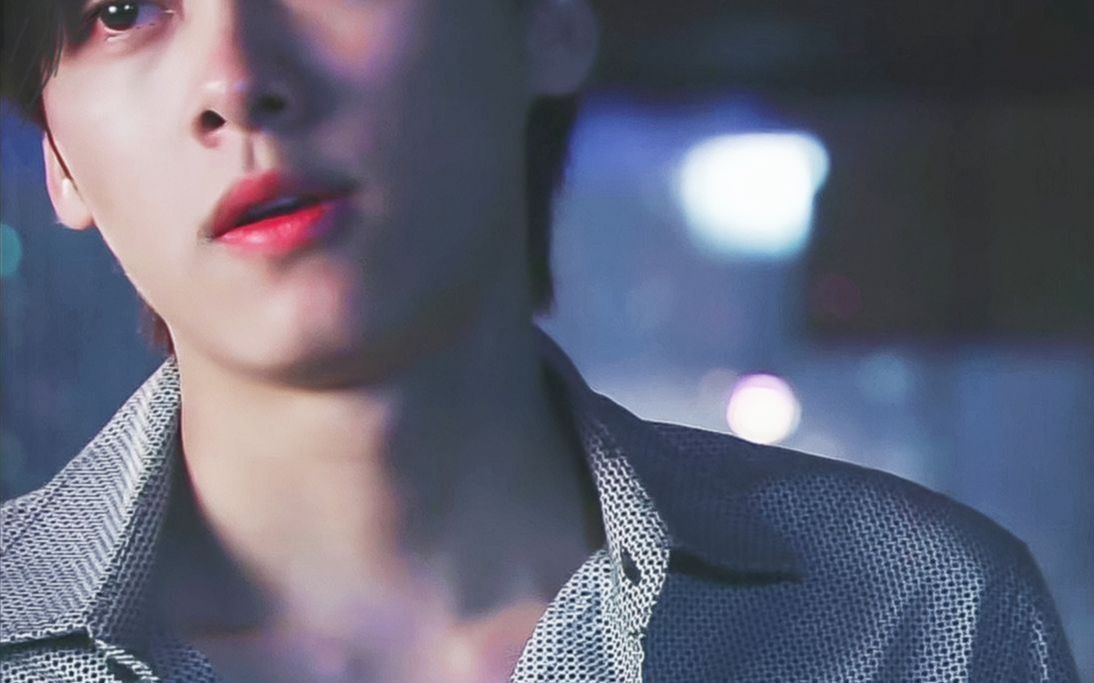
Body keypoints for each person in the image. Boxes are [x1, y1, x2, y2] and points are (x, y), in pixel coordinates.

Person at [0, 1, 1080, 681]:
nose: (236, 82)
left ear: (547, 21)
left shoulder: (923, 616)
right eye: (121, 9)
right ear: (57, 160)